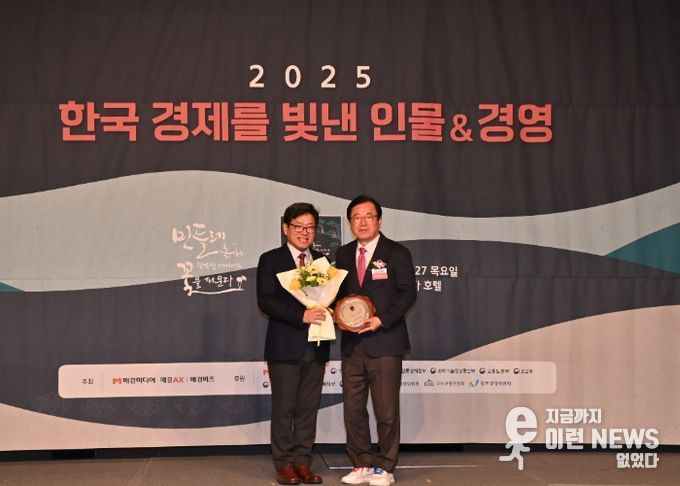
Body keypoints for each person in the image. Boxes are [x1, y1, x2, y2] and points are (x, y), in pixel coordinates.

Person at [334, 195, 417, 486]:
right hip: (352, 345)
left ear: (379, 220)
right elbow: (338, 296)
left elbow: (408, 293)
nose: (362, 222)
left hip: (385, 342)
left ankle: (385, 467)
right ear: (350, 222)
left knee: (386, 410)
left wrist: (381, 319)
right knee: (353, 409)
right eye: (356, 217)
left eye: (368, 216)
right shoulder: (342, 254)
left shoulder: (396, 253)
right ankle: (362, 463)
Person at [257, 203, 328, 485]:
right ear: (286, 228)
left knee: (308, 409)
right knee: (284, 408)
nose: (304, 232)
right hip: (284, 346)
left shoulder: (322, 262)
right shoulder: (271, 260)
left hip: (317, 345)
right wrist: (302, 316)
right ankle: (284, 464)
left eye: (310, 227)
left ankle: (303, 463)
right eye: (298, 226)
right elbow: (266, 301)